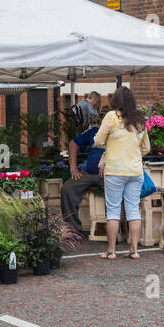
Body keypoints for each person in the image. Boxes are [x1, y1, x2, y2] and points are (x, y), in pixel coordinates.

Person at [92, 86, 150, 260]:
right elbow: (146, 148)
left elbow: (97, 140)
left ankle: (111, 251)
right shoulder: (139, 121)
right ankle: (134, 250)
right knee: (133, 210)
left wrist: (110, 145)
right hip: (135, 171)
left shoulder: (112, 117)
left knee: (113, 211)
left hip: (115, 171)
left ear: (115, 101)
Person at [61, 97, 108, 232]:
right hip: (89, 173)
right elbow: (73, 144)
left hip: (108, 174)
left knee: (115, 192)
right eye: (102, 117)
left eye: (106, 117)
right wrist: (73, 167)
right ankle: (73, 230)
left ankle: (111, 230)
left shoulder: (117, 133)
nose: (104, 120)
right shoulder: (94, 132)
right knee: (67, 188)